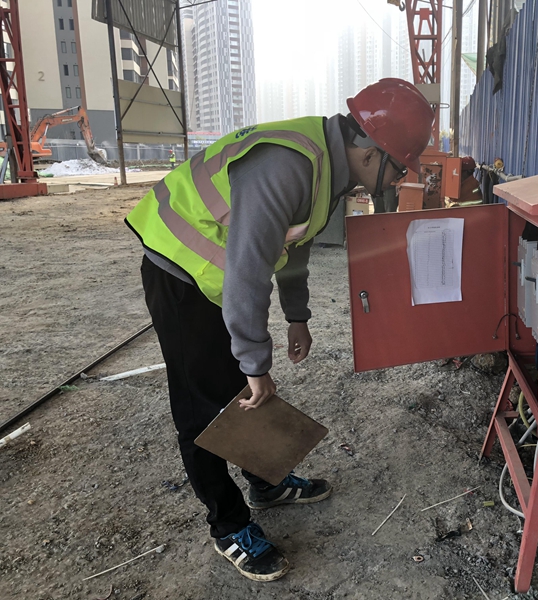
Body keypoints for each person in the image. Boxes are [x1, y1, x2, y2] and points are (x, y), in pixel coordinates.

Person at [125, 79, 434, 582]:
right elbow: (247, 270)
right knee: (202, 406)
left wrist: (297, 315)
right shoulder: (288, 165)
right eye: (400, 167)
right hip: (177, 265)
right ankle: (228, 526)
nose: (399, 179)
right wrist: (256, 363)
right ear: (370, 152)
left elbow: (295, 243)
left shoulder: (328, 167)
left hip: (215, 271)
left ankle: (265, 483)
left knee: (239, 392)